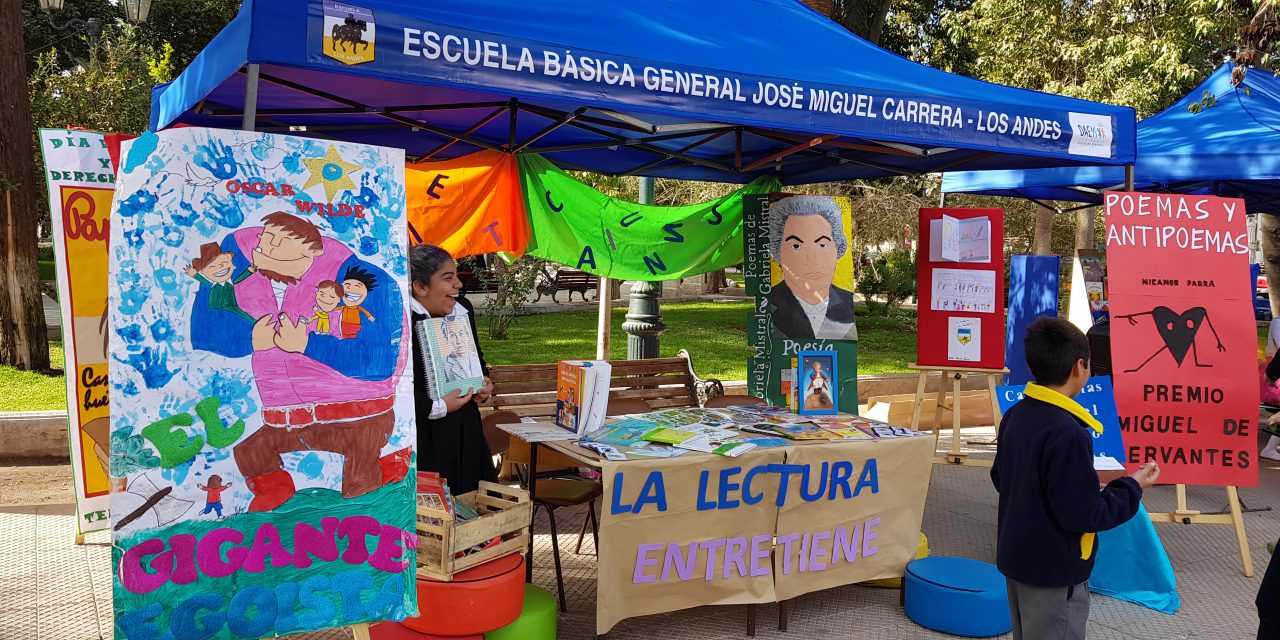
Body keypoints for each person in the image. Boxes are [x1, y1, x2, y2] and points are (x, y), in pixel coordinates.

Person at [190, 211, 411, 512]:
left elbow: (379, 362)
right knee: (250, 453)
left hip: (359, 415)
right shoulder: (232, 264)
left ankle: (386, 468)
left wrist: (308, 344)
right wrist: (250, 337)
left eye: (276, 245)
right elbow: (204, 332)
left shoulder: (366, 281)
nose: (262, 252)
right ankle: (276, 493)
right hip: (286, 416)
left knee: (359, 488)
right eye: (262, 244)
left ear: (312, 250)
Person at [992, 316, 1160, 640]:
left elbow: (1002, 477)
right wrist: (1132, 485)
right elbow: (1083, 514)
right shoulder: (1068, 432)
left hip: (1017, 558)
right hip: (1054, 570)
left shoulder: (1015, 414)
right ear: (1078, 367)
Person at [410, 244, 497, 495]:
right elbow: (396, 386)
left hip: (467, 430)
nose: (458, 284)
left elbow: (475, 357)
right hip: (427, 437)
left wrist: (484, 384)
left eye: (456, 276)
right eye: (448, 279)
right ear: (420, 286)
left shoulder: (463, 309)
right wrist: (439, 407)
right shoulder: (402, 320)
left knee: (475, 505)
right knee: (438, 516)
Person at [766, 195, 858, 341]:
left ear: (838, 248)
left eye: (822, 245)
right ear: (778, 254)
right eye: (796, 246)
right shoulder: (768, 304)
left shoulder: (846, 302)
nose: (811, 260)